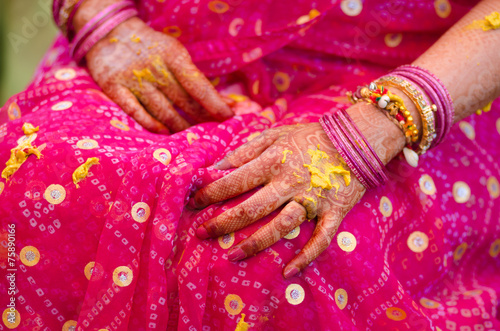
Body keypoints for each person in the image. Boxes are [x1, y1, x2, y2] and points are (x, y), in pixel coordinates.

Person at [1, 0, 499, 329]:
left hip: (413, 78)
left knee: (270, 255)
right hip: (156, 43)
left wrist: (377, 129)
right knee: (38, 180)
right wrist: (101, 19)